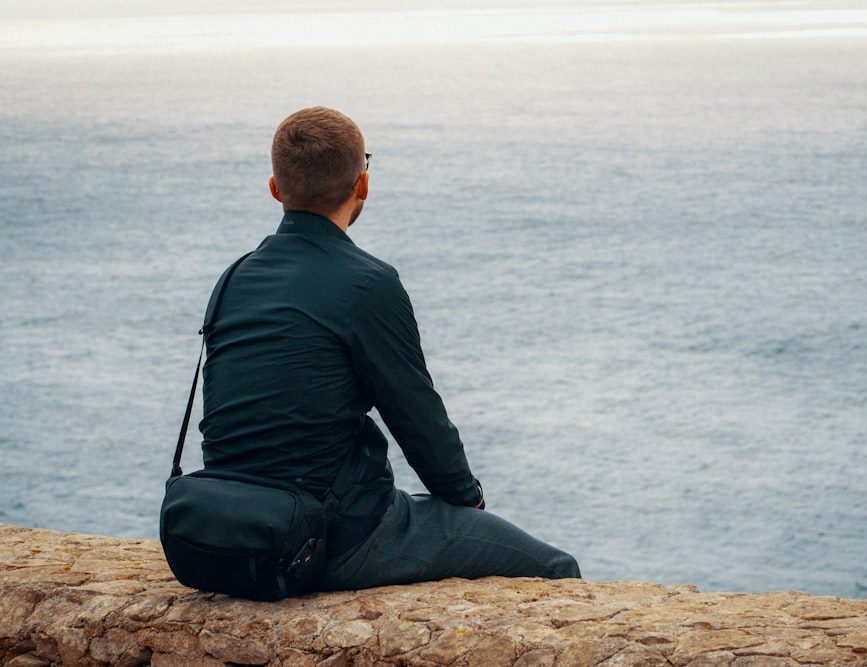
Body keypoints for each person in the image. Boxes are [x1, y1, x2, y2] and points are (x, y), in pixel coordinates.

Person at [198, 106, 580, 590]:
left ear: (275, 188)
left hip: (238, 528)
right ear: (362, 185)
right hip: (326, 540)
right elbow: (415, 415)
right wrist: (467, 499)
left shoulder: (233, 278)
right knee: (557, 571)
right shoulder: (367, 283)